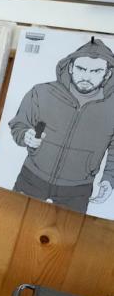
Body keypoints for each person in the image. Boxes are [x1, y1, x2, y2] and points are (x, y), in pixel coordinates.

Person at [8, 37, 114, 213]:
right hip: (32, 176)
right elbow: (19, 124)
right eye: (81, 69)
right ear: (71, 67)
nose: (86, 76)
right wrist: (25, 135)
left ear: (107, 74)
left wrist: (109, 179)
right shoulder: (41, 92)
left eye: (96, 71)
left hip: (78, 189)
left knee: (65, 236)